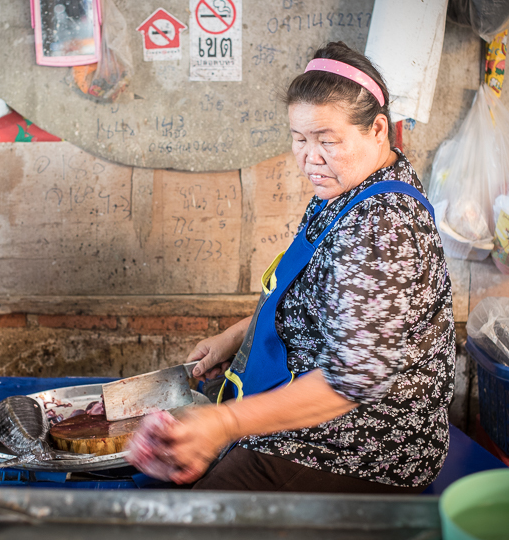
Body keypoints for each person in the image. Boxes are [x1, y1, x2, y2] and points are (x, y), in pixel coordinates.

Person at [131, 41, 455, 494]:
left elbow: (350, 381)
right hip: (309, 404)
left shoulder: (384, 225)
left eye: (327, 140)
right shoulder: (347, 190)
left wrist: (224, 423)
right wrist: (232, 339)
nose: (310, 158)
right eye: (299, 139)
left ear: (378, 129)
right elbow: (312, 296)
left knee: (198, 517)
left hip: (366, 443)